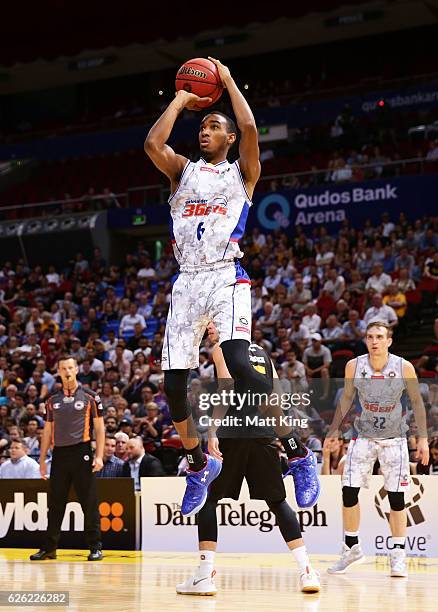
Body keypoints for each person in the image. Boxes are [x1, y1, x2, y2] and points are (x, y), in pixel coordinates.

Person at [144, 57, 273, 516]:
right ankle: (198, 461)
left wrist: (227, 80)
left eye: (214, 126)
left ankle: (294, 448)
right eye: (203, 127)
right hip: (186, 282)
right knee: (174, 385)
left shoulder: (242, 173)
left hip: (225, 275)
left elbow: (251, 124)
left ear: (230, 138)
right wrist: (182, 98)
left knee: (238, 360)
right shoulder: (183, 171)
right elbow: (152, 143)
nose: (205, 131)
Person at [176, 323, 320, 596]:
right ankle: (307, 571)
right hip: (263, 432)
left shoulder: (222, 348)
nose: (210, 334)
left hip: (233, 433)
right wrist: (283, 435)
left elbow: (226, 389)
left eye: (213, 328)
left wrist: (213, 429)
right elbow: (276, 397)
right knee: (278, 502)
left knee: (208, 499)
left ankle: (205, 575)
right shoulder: (262, 352)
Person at [324, 322, 429, 577]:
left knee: (396, 499)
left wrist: (423, 439)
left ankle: (398, 555)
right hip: (363, 437)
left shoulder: (403, 367)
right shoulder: (355, 366)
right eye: (370, 337)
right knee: (348, 492)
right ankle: (351, 548)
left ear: (389, 341)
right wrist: (334, 429)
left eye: (380, 337)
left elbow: (416, 402)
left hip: (395, 438)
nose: (374, 341)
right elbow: (347, 398)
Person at [30, 356, 105, 562]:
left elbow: (99, 428)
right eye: (63, 368)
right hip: (60, 454)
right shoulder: (52, 400)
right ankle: (49, 548)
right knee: (55, 504)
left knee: (88, 502)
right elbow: (47, 432)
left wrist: (99, 456)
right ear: (59, 372)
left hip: (82, 452)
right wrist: (43, 459)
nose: (67, 371)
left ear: (77, 369)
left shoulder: (90, 396)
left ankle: (95, 547)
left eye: (70, 367)